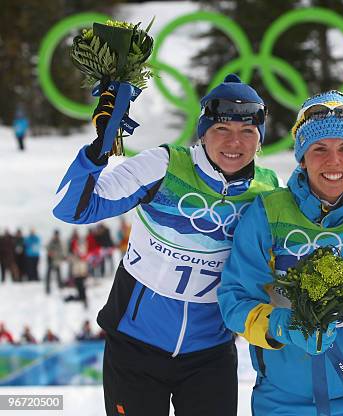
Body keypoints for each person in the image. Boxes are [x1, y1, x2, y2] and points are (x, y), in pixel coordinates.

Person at [53, 74, 279, 416]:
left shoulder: (266, 188)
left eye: (247, 131)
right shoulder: (164, 165)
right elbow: (74, 208)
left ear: (259, 139)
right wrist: (98, 151)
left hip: (210, 355)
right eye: (222, 129)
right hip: (136, 348)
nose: (235, 142)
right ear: (203, 133)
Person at [218, 91, 343, 416]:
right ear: (301, 157)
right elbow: (234, 299)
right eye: (319, 149)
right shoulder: (268, 214)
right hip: (281, 401)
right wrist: (280, 325)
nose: (334, 161)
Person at [46, 229, 65, 294]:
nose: (56, 236)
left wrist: (61, 257)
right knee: (49, 274)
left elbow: (62, 251)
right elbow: (47, 249)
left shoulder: (60, 242)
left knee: (59, 274)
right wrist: (50, 253)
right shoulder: (51, 241)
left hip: (57, 260)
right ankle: (47, 288)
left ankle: (60, 286)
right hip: (51, 260)